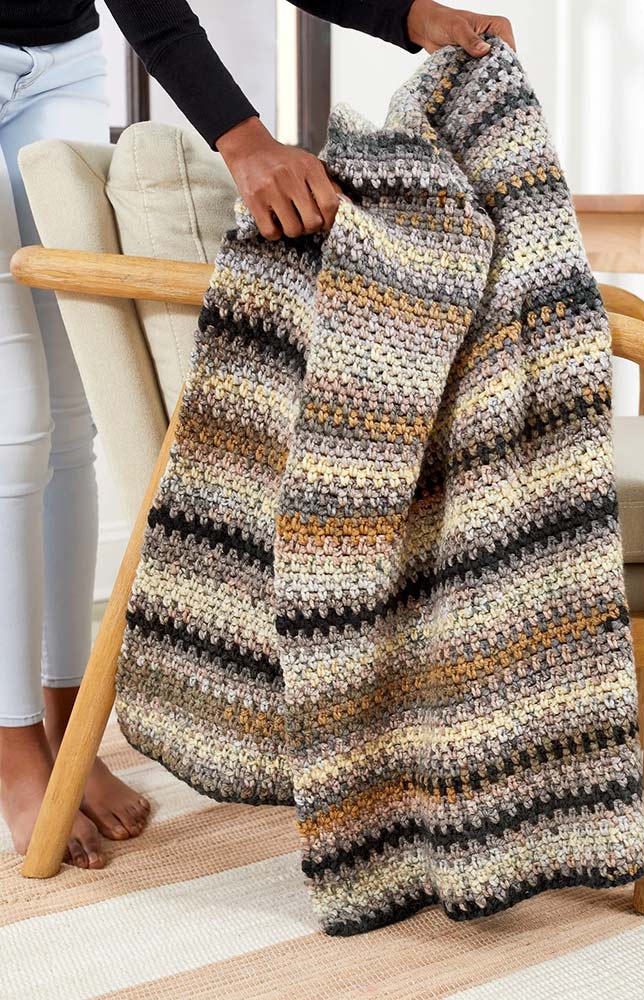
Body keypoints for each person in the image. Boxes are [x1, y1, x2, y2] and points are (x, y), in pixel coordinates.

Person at [0, 0, 515, 870]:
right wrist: (241, 139)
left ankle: (64, 721)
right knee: (15, 423)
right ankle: (13, 748)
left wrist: (407, 14)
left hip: (61, 50)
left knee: (71, 413)